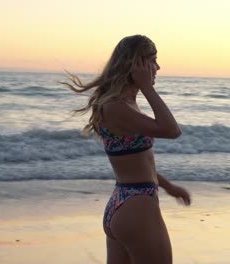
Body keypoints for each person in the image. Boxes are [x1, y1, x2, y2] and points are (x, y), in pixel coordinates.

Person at [62, 35, 191, 264]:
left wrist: (169, 187)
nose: (158, 67)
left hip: (125, 203)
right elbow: (172, 130)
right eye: (153, 60)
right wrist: (147, 87)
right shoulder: (116, 107)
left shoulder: (123, 104)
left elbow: (136, 162)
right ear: (136, 64)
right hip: (136, 206)